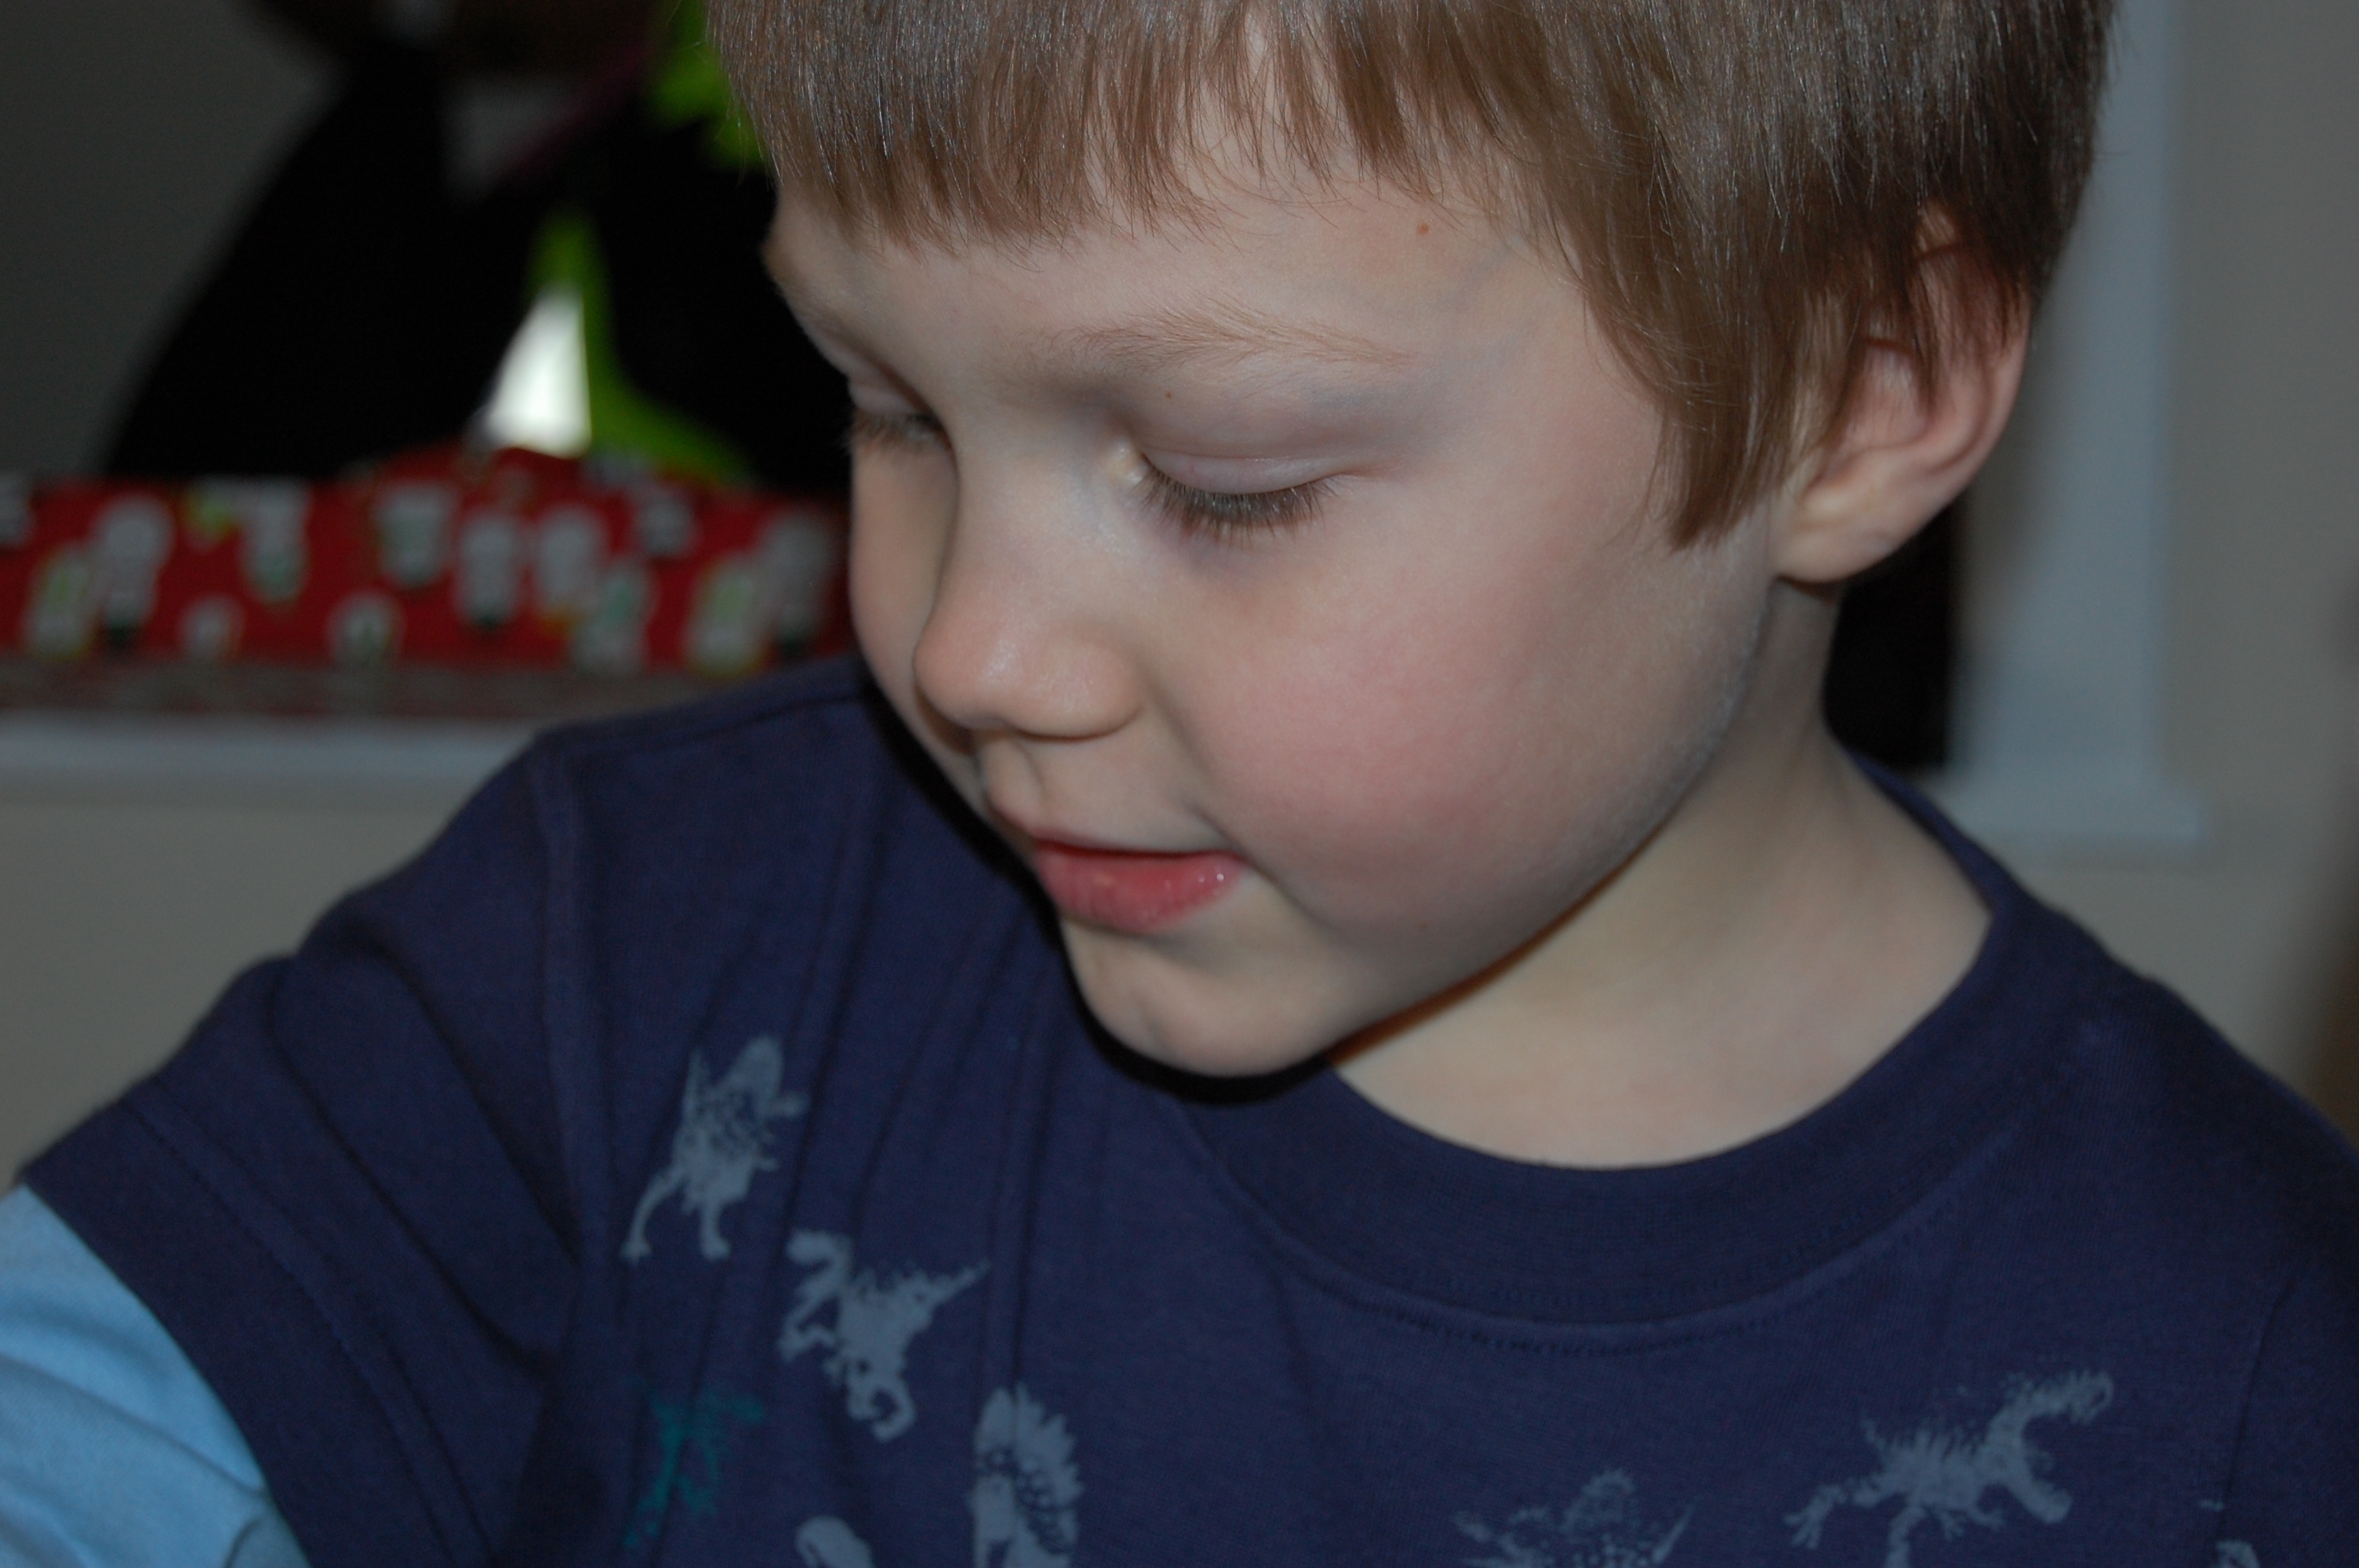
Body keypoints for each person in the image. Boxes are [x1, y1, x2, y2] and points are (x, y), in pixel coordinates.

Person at [6, 0, 2357, 1563]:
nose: (970, 647)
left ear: (1861, 391)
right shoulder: (613, 956)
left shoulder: (2248, 1377)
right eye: (890, 409)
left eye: (1226, 482)